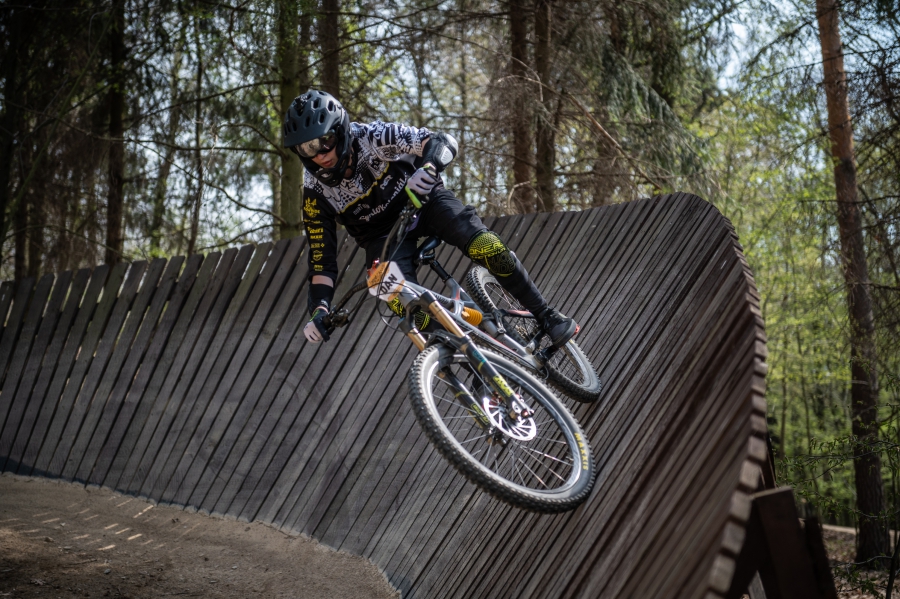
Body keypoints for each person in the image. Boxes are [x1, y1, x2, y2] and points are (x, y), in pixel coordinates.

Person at [283, 89, 579, 347]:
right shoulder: (314, 192)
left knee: (486, 246)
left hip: (424, 203)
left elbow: (439, 141)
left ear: (342, 130)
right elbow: (322, 261)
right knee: (395, 298)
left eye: (324, 141)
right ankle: (470, 355)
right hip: (382, 238)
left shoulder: (373, 137)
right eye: (307, 148)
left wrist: (429, 167)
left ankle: (547, 315)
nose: (319, 154)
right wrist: (319, 309)